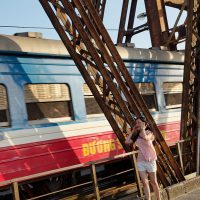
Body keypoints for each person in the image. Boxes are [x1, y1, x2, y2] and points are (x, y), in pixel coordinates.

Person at [125, 116, 161, 200]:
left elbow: (146, 138)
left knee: (153, 182)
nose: (137, 124)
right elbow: (127, 141)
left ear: (144, 124)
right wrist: (133, 131)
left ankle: (158, 198)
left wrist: (143, 129)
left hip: (150, 160)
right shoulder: (136, 135)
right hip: (140, 161)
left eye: (139, 122)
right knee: (144, 183)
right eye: (136, 123)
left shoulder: (150, 133)